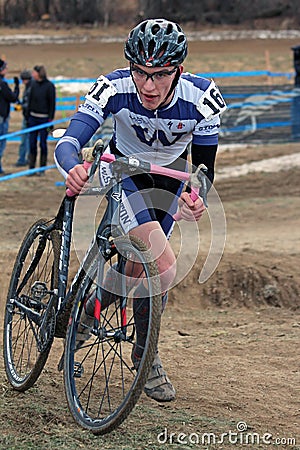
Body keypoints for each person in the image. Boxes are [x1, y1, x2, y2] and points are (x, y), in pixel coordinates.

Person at [55, 18, 227, 402]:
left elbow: (203, 169)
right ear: (130, 66)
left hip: (167, 182)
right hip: (124, 175)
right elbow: (67, 142)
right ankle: (145, 356)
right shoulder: (113, 88)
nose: (148, 86)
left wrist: (195, 195)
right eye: (140, 73)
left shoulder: (201, 99)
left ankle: (85, 313)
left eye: (160, 75)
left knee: (136, 272)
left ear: (178, 70)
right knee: (163, 266)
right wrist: (75, 169)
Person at [27, 65, 56, 172]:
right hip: (33, 119)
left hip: (44, 120)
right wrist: (28, 116)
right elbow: (29, 101)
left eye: (34, 72)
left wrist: (50, 119)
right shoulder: (33, 85)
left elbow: (52, 104)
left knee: (43, 144)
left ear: (39, 73)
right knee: (32, 144)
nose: (32, 74)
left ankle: (42, 168)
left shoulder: (49, 86)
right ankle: (31, 167)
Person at [0, 59, 20, 174]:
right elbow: (12, 97)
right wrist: (17, 86)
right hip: (2, 116)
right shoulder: (2, 84)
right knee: (1, 142)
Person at [15, 70, 32, 167]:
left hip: (29, 118)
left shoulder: (30, 88)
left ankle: (24, 159)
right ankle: (24, 159)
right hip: (27, 116)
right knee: (26, 140)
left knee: (26, 140)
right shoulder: (28, 87)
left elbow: (29, 103)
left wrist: (22, 106)